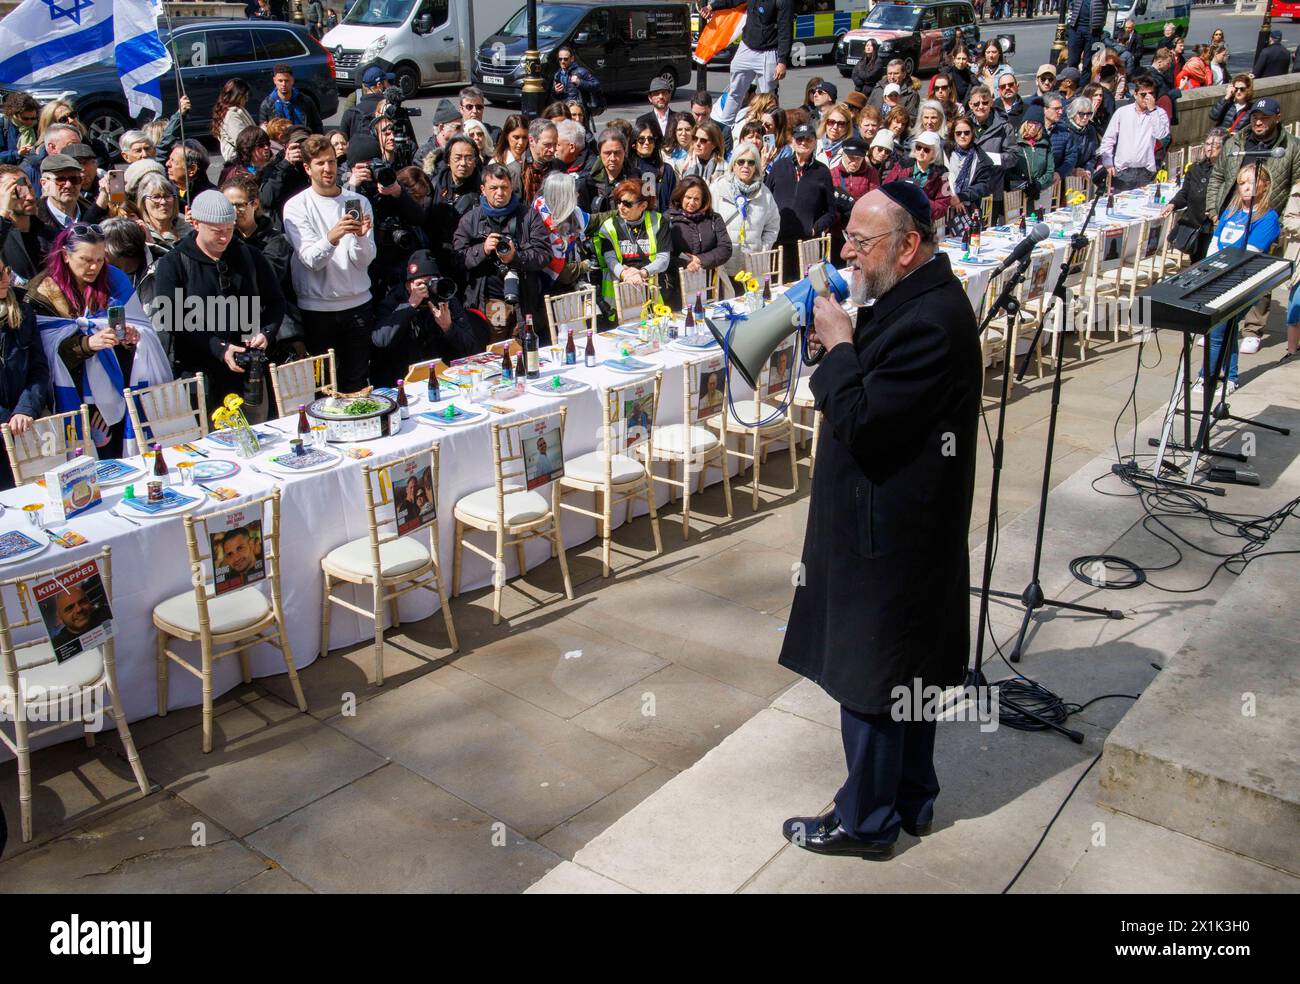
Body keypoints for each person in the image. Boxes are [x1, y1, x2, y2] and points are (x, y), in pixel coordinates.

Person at [779, 181, 980, 859]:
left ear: (909, 244)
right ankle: (913, 796)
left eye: (860, 243)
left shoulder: (931, 318)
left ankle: (865, 820)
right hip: (907, 526)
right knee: (911, 674)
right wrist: (843, 348)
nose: (847, 254)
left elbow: (866, 422)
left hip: (891, 534)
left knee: (874, 677)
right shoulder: (912, 296)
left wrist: (838, 347)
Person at [29, 224, 171, 457]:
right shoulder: (43, 292)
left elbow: (139, 324)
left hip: (115, 388)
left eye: (99, 259)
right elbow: (45, 352)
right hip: (73, 396)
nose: (94, 267)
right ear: (65, 255)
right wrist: (88, 344)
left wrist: (130, 338)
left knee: (119, 459)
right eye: (86, 260)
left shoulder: (112, 279)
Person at [150, 190, 283, 411]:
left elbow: (276, 301)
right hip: (199, 373)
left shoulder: (249, 255)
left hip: (248, 370)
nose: (224, 237)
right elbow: (171, 318)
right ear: (196, 224)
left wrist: (266, 333)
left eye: (229, 230)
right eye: (216, 231)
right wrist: (218, 347)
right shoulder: (173, 263)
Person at [1205, 97, 1300, 354]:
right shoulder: (1236, 142)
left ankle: (1252, 329)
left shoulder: (1291, 147)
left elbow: (1296, 186)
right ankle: (1218, 323)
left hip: (1268, 218)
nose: (1259, 121)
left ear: (1277, 117)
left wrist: (1281, 220)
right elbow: (1218, 176)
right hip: (1232, 213)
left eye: (1265, 118)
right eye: (1256, 117)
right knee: (1220, 270)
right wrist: (1214, 210)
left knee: (1256, 274)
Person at [282, 135, 376, 393]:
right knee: (323, 386)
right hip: (317, 311)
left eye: (332, 162)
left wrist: (359, 238)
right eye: (320, 163)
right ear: (307, 168)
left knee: (357, 383)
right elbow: (312, 259)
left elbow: (364, 260)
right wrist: (333, 236)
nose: (328, 169)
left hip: (357, 304)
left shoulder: (358, 201)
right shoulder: (296, 207)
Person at [1196, 167, 1278, 396]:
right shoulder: (1231, 211)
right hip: (1219, 276)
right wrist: (1209, 269)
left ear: (1264, 185)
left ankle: (1207, 377)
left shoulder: (1267, 217)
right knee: (1228, 329)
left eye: (1252, 183)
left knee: (1217, 330)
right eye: (1242, 183)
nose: (1247, 188)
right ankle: (1230, 376)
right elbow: (1215, 242)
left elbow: (1249, 252)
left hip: (1243, 280)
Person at [453, 162, 552, 343]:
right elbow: (457, 259)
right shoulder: (470, 219)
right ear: (483, 189)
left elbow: (544, 254)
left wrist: (516, 257)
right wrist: (482, 249)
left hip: (525, 299)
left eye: (504, 187)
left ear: (511, 187)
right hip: (491, 301)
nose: (500, 193)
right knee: (497, 351)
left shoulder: (529, 215)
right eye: (494, 188)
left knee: (525, 347)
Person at [370, 248, 489, 388]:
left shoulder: (446, 300)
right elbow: (380, 340)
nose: (426, 289)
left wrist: (448, 328)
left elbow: (470, 349)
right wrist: (410, 306)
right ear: (408, 285)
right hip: (402, 380)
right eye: (421, 284)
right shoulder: (393, 301)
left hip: (442, 377)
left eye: (431, 282)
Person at [222, 174, 304, 363]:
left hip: (273, 327)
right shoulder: (220, 240)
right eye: (228, 206)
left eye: (240, 204)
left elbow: (264, 279)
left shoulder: (275, 240)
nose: (234, 211)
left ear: (255, 203)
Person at [702, 0, 793, 127]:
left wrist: (782, 61)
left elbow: (786, 31)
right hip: (747, 47)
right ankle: (724, 130)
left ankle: (771, 133)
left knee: (768, 98)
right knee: (735, 92)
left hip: (768, 52)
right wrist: (712, 6)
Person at [591, 177, 671, 319]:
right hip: (620, 296)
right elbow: (610, 260)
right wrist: (626, 275)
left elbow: (663, 259)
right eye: (618, 201)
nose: (620, 207)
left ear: (643, 206)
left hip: (652, 293)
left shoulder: (658, 221)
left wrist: (642, 273)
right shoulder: (608, 226)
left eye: (627, 203)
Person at [0, 257, 48, 489]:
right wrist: (5, 418)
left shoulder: (23, 312)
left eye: (6, 271)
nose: (6, 279)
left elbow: (38, 369)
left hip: (24, 429)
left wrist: (25, 409)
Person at [767, 123, 836, 281]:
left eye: (808, 139)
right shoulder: (778, 167)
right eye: (799, 139)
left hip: (807, 244)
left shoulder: (822, 172)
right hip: (779, 243)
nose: (804, 142)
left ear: (815, 143)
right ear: (792, 142)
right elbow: (766, 201)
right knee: (778, 288)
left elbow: (831, 212)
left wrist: (815, 227)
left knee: (808, 286)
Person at [710, 143, 780, 287]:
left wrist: (762, 249)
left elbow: (772, 226)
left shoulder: (765, 194)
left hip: (752, 265)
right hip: (724, 264)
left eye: (751, 162)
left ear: (756, 166)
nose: (745, 166)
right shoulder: (718, 188)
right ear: (733, 165)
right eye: (741, 161)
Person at [666, 176, 731, 309]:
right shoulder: (667, 220)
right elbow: (663, 254)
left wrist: (700, 260)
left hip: (711, 284)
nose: (691, 202)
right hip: (678, 286)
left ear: (703, 200)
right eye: (688, 197)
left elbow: (725, 248)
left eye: (696, 199)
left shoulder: (714, 218)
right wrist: (686, 263)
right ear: (680, 196)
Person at [1162, 129, 1224, 263]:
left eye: (1215, 145)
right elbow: (1185, 192)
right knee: (1196, 261)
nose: (1210, 148)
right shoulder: (1196, 168)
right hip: (1195, 225)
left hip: (1213, 224)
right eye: (1207, 144)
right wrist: (1173, 203)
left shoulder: (1225, 170)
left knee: (1210, 261)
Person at [1098, 76, 1169, 191]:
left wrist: (1153, 111)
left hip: (1146, 171)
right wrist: (1108, 162)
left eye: (1151, 94)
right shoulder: (1122, 112)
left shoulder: (1159, 113)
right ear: (1135, 94)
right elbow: (1108, 139)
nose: (1147, 98)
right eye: (1143, 94)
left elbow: (1161, 134)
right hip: (1123, 171)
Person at [532, 171, 592, 295]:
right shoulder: (540, 225)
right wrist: (585, 266)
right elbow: (561, 274)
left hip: (570, 288)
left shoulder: (573, 215)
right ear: (561, 197)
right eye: (573, 192)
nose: (578, 194)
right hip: (549, 292)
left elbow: (596, 220)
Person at [36, 154, 105, 261]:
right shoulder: (35, 220)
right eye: (60, 180)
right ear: (44, 184)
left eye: (74, 179)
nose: (68, 185)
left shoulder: (98, 217)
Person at [885, 131, 951, 224]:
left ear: (935, 153)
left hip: (923, 224)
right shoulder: (902, 165)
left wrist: (920, 200)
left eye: (927, 150)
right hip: (898, 220)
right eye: (918, 147)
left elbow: (942, 207)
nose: (921, 152)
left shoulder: (943, 173)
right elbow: (885, 190)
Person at [945, 118, 996, 228]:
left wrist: (961, 197)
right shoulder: (946, 152)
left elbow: (983, 185)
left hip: (969, 209)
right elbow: (941, 177)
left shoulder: (982, 158)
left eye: (966, 133)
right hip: (945, 208)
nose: (962, 136)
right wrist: (953, 198)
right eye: (958, 133)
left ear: (972, 133)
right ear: (953, 134)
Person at [0, 165, 46, 281]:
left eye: (29, 188)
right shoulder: (4, 238)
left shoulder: (49, 234)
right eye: (17, 192)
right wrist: (5, 210)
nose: (30, 197)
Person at [577, 128, 636, 215]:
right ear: (599, 153)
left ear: (625, 152)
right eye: (607, 153)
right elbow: (583, 219)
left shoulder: (640, 178)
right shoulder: (586, 183)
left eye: (617, 153)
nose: (612, 158)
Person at [1005, 105, 1054, 207]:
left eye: (1037, 124)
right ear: (1025, 123)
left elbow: (1050, 171)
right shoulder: (1014, 143)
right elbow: (1008, 171)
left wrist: (1038, 184)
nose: (1033, 127)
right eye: (1030, 123)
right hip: (1017, 193)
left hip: (1039, 192)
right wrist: (1024, 184)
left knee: (1039, 220)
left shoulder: (1045, 145)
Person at [258, 64, 324, 132]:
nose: (283, 84)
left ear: (292, 80)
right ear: (274, 81)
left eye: (286, 81)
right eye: (280, 81)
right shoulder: (267, 105)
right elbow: (263, 132)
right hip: (280, 141)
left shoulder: (306, 101)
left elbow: (317, 126)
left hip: (303, 139)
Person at [629, 122, 677, 214]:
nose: (646, 143)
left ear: (655, 144)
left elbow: (673, 202)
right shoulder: (627, 168)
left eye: (650, 139)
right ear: (634, 144)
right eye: (641, 139)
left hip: (662, 222)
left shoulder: (666, 170)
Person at [136, 175, 191, 250]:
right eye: (156, 197)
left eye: (167, 196)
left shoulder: (188, 229)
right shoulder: (138, 231)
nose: (163, 202)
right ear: (143, 202)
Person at [213, 80, 257, 165]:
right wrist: (262, 131)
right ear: (238, 96)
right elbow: (243, 139)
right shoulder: (231, 115)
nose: (247, 99)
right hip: (239, 161)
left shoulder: (234, 110)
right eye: (245, 96)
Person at [552, 46, 601, 120]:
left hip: (579, 111)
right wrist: (556, 91)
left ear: (572, 59)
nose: (562, 61)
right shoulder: (558, 74)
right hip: (565, 111)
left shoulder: (581, 71)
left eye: (565, 59)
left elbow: (596, 85)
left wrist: (579, 82)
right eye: (560, 59)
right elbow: (555, 97)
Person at [165, 139, 214, 207]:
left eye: (173, 161)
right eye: (169, 159)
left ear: (192, 169)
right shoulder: (166, 191)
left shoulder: (211, 199)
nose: (167, 164)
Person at [1062, 96, 1100, 178]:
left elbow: (1093, 156)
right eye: (1081, 114)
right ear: (1073, 113)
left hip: (1082, 176)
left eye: (1088, 114)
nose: (1085, 117)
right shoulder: (1063, 130)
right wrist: (1071, 171)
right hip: (1062, 177)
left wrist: (1088, 169)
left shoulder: (1091, 130)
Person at [1065, 0, 1109, 72]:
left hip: (1093, 31)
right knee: (1072, 61)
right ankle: (1072, 81)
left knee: (1088, 64)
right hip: (1075, 28)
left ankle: (1084, 83)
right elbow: (1071, 4)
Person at [0, 92, 39, 166]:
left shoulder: (37, 124)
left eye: (33, 118)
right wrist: (18, 153)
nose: (30, 122)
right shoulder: (3, 125)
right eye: (25, 118)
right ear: (14, 114)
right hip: (11, 170)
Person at [635, 77, 676, 144]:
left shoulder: (678, 119)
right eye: (656, 93)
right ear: (650, 98)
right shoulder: (642, 120)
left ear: (670, 95)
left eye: (664, 92)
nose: (661, 96)